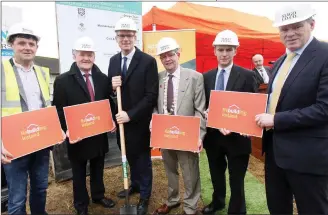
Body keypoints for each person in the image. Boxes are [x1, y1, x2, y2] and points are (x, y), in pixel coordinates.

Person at [255, 4, 328, 214]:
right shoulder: (279, 62)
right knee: (278, 209)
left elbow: (324, 109)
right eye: (284, 29)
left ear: (312, 24)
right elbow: (273, 102)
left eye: (296, 27)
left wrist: (276, 120)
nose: (290, 33)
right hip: (276, 156)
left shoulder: (324, 55)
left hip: (308, 158)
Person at [1, 22, 65, 214]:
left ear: (36, 47)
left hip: (41, 142)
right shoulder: (2, 72)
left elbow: (47, 106)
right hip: (13, 146)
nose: (27, 47)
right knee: (17, 197)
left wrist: (56, 129)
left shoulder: (42, 72)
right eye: (22, 43)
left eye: (31, 44)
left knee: (40, 188)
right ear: (11, 45)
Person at [52, 36, 116, 215]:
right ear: (74, 55)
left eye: (90, 54)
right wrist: (67, 130)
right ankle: (81, 204)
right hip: (77, 136)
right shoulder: (63, 81)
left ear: (94, 56)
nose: (86, 58)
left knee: (98, 166)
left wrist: (110, 121)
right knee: (79, 172)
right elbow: (58, 110)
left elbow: (108, 104)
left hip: (98, 134)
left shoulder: (102, 78)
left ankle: (98, 195)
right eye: (82, 54)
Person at [202, 30, 257, 215]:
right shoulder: (206, 76)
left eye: (228, 49)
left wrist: (243, 125)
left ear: (235, 51)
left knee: (237, 178)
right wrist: (206, 112)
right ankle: (218, 202)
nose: (224, 53)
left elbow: (253, 106)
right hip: (213, 137)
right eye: (221, 49)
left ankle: (236, 210)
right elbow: (204, 104)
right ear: (214, 51)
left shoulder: (248, 76)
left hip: (237, 139)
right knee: (216, 175)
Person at [107, 17, 159, 215]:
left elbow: (150, 96)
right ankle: (135, 184)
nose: (125, 39)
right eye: (121, 35)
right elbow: (110, 93)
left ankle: (145, 195)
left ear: (135, 36)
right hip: (121, 123)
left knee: (143, 160)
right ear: (116, 38)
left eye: (129, 35)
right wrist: (112, 88)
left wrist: (131, 115)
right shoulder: (113, 61)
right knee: (128, 156)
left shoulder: (147, 61)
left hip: (139, 122)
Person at [151, 37, 206, 215]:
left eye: (170, 54)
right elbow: (154, 105)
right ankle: (173, 200)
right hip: (166, 134)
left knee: (190, 172)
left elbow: (200, 110)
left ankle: (190, 206)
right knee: (170, 170)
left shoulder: (195, 77)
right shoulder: (158, 78)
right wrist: (154, 119)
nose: (167, 59)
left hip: (187, 135)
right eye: (163, 56)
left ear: (178, 54)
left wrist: (198, 135)